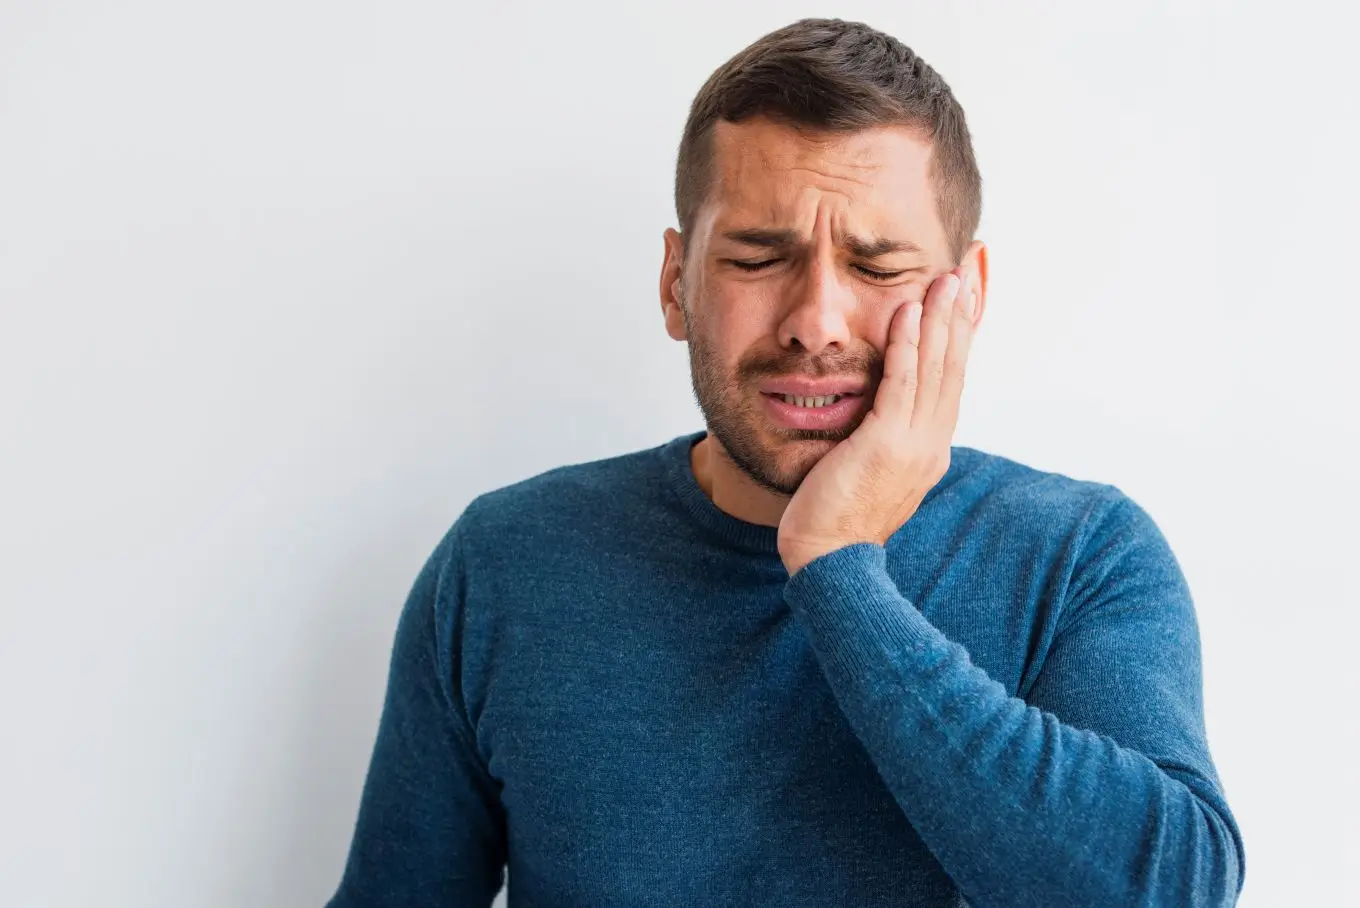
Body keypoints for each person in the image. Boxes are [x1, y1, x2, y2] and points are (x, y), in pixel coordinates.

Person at [324, 17, 1245, 907]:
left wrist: (839, 566)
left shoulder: (1078, 554)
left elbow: (1166, 890)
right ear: (673, 285)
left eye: (879, 268)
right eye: (760, 258)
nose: (815, 322)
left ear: (967, 297)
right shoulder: (504, 563)